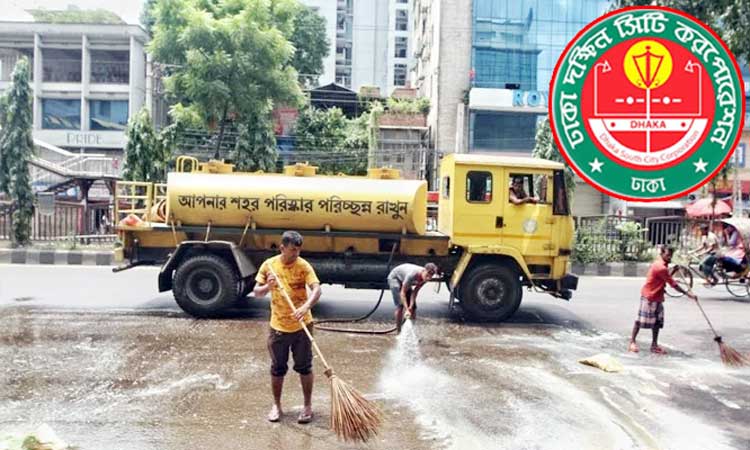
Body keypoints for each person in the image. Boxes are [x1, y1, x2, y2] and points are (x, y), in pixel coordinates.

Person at [253, 231, 322, 424]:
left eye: (298, 250)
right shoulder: (269, 266)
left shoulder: (303, 266)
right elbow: (256, 292)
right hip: (278, 327)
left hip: (302, 326)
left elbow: (317, 289)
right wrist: (268, 286)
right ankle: (277, 405)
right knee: (277, 368)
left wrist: (306, 306)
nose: (296, 254)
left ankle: (307, 406)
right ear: (282, 248)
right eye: (292, 250)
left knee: (305, 367)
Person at [629, 245, 696, 354]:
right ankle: (632, 342)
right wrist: (687, 293)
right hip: (649, 296)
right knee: (640, 321)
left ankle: (654, 345)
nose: (670, 257)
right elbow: (672, 284)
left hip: (658, 296)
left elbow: (664, 278)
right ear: (662, 254)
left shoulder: (662, 265)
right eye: (667, 255)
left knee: (657, 322)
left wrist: (673, 271)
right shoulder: (660, 267)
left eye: (671, 255)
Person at [387, 262, 438, 332]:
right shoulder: (412, 275)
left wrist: (410, 306)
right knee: (400, 306)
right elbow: (403, 293)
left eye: (430, 277)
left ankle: (412, 331)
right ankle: (398, 332)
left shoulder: (425, 278)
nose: (428, 278)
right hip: (395, 279)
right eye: (427, 275)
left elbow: (415, 292)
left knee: (413, 308)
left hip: (405, 281)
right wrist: (406, 308)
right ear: (424, 270)